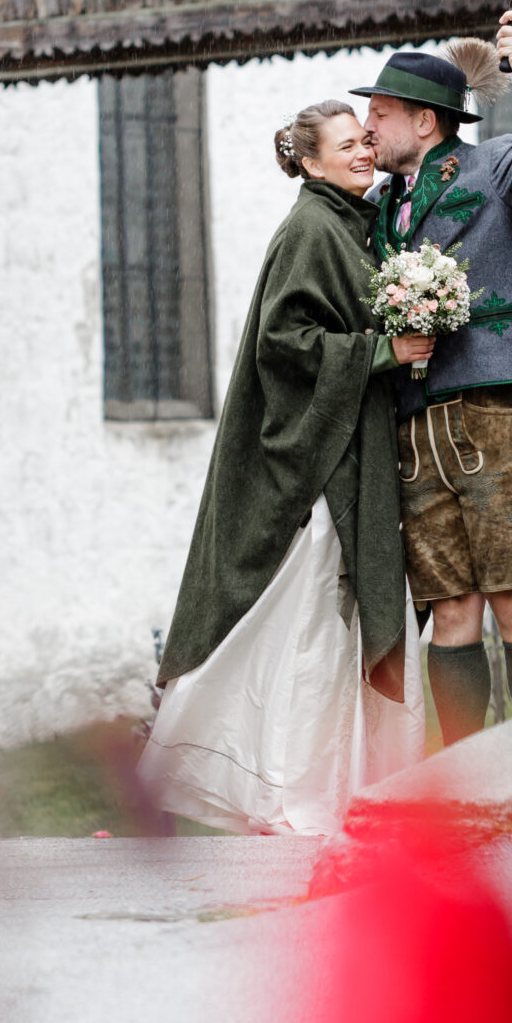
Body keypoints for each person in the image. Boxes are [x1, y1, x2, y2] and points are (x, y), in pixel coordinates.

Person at [139, 101, 433, 833]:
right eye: (345, 146)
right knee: (308, 624)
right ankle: (287, 795)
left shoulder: (348, 224)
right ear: (308, 162)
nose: (364, 152)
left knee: (327, 626)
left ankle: (327, 791)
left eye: (366, 140)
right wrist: (378, 352)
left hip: (350, 445)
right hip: (321, 463)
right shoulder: (310, 229)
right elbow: (284, 342)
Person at [356, 7, 512, 746]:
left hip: (494, 406)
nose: (369, 129)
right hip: (414, 420)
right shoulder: (378, 205)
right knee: (451, 607)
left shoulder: (496, 164)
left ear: (425, 122)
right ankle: (466, 776)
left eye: (381, 114)